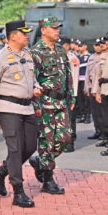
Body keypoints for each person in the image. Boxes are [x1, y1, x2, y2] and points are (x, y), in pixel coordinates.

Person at [0, 20, 40, 208]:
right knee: (15, 149)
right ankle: (18, 191)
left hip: (27, 107)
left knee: (30, 146)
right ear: (12, 36)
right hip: (8, 108)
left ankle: (0, 172)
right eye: (23, 33)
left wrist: (36, 88)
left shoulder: (27, 54)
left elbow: (31, 79)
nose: (27, 36)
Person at [28, 18, 73, 194]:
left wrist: (71, 96)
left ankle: (40, 163)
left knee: (64, 139)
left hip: (61, 102)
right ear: (44, 30)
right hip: (45, 103)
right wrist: (35, 104)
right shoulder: (36, 52)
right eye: (54, 28)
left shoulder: (60, 50)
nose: (57, 31)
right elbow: (32, 81)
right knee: (47, 143)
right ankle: (48, 180)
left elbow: (68, 74)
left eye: (58, 28)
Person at [60, 36, 80, 152]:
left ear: (67, 46)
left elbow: (75, 78)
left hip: (69, 94)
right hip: (59, 94)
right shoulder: (58, 57)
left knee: (70, 119)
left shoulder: (73, 59)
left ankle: (70, 143)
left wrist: (74, 95)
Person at [85, 38, 105, 141]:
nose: (97, 47)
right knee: (95, 112)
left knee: (102, 112)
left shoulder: (105, 57)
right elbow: (87, 73)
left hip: (101, 88)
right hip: (92, 87)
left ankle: (104, 132)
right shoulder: (91, 57)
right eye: (96, 45)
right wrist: (86, 87)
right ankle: (98, 131)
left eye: (99, 45)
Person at [76, 40, 91, 124]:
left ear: (85, 46)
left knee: (86, 99)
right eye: (78, 45)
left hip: (85, 80)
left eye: (81, 45)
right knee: (80, 99)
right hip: (78, 80)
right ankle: (82, 115)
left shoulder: (89, 56)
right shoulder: (77, 57)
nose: (79, 47)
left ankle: (87, 115)